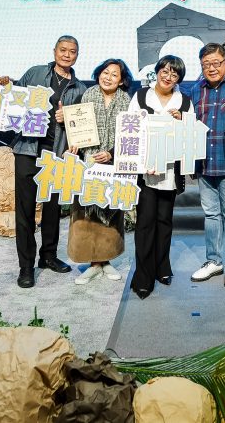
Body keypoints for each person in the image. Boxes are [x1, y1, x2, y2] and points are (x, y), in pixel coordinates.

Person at [0, 36, 86, 289]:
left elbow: (82, 124)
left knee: (52, 208)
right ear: (54, 51)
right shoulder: (35, 73)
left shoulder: (80, 88)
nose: (67, 55)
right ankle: (26, 266)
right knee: (25, 209)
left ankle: (48, 256)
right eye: (63, 50)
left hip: (56, 153)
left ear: (77, 55)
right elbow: (14, 101)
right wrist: (6, 87)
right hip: (27, 149)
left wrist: (68, 118)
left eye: (72, 51)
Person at [128, 55, 192, 299]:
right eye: (165, 71)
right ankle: (143, 276)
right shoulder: (141, 96)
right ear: (156, 72)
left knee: (165, 222)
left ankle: (162, 267)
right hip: (146, 171)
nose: (168, 77)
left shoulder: (184, 101)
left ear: (179, 79)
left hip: (170, 171)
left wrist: (183, 120)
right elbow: (130, 130)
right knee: (145, 223)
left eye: (174, 74)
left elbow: (190, 134)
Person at [69, 59, 133, 285]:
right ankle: (93, 263)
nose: (108, 77)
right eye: (105, 72)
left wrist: (112, 153)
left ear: (121, 81)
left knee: (112, 212)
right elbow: (76, 127)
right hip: (88, 162)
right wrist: (75, 143)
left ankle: (106, 261)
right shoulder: (86, 95)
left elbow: (130, 135)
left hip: (113, 165)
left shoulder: (126, 100)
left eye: (114, 75)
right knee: (87, 213)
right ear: (98, 74)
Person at [189, 43, 225, 289]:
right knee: (211, 214)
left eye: (216, 63)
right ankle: (214, 260)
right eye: (206, 65)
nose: (211, 68)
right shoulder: (196, 89)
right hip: (204, 162)